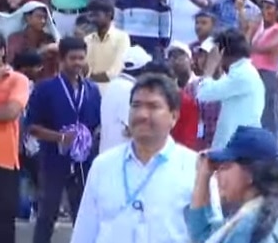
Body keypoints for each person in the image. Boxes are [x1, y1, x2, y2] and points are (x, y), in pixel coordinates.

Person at [70, 74, 200, 243]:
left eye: (153, 106)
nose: (142, 115)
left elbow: (208, 235)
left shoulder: (194, 168)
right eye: (136, 105)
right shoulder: (103, 166)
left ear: (173, 117)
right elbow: (84, 232)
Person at [26, 36, 101, 243]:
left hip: (83, 162)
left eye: (81, 58)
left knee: (83, 215)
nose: (77, 63)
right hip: (53, 159)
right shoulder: (45, 88)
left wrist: (89, 139)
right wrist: (60, 137)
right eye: (72, 58)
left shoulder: (92, 90)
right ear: (61, 59)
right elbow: (32, 127)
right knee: (47, 214)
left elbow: (95, 125)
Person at [187, 126, 278, 242]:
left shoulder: (252, 223)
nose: (217, 175)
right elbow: (204, 236)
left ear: (250, 174)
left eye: (225, 167)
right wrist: (203, 176)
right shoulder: (262, 212)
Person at [196, 28, 265, 150]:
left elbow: (203, 94)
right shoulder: (241, 72)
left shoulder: (242, 75)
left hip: (237, 147)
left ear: (221, 52)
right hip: (237, 144)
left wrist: (210, 66)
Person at [0, 34, 30, 243]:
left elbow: (10, 112)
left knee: (3, 225)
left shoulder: (18, 80)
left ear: (2, 50)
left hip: (5, 161)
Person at [98, 45, 153, 153]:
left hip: (106, 153)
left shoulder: (112, 85)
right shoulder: (129, 90)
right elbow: (132, 128)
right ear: (143, 69)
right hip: (120, 157)